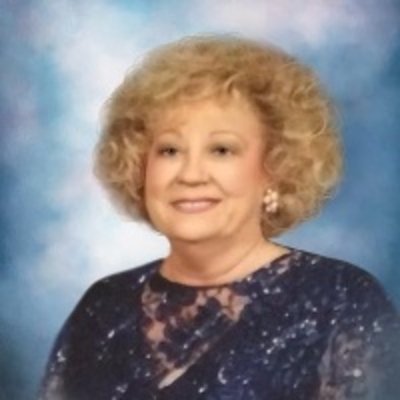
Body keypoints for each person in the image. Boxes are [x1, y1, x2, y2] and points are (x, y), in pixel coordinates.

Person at [38, 34, 400, 400]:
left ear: (276, 170)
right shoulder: (103, 307)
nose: (190, 174)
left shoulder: (340, 299)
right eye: (170, 150)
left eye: (221, 150)